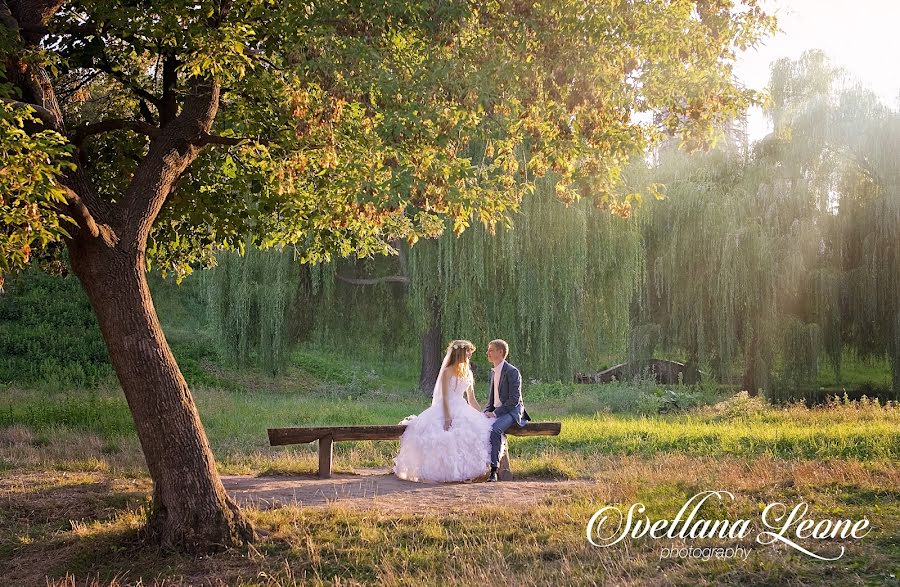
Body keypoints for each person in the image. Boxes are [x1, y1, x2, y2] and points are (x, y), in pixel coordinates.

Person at [393, 340, 491, 482]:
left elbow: (471, 398)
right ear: (461, 353)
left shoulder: (468, 373)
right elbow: (444, 398)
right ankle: (443, 472)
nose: (470, 355)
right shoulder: (447, 371)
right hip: (446, 408)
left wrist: (480, 415)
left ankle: (463, 471)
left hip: (462, 407)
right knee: (441, 437)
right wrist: (447, 417)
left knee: (471, 433)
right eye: (468, 352)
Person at [483, 339, 531, 482]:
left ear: (500, 352)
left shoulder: (512, 372)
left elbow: (514, 401)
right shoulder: (494, 372)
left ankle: (493, 471)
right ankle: (480, 467)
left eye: (491, 350)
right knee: (478, 425)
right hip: (499, 410)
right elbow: (493, 400)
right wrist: (485, 412)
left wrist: (495, 414)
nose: (488, 353)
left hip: (512, 411)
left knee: (496, 429)